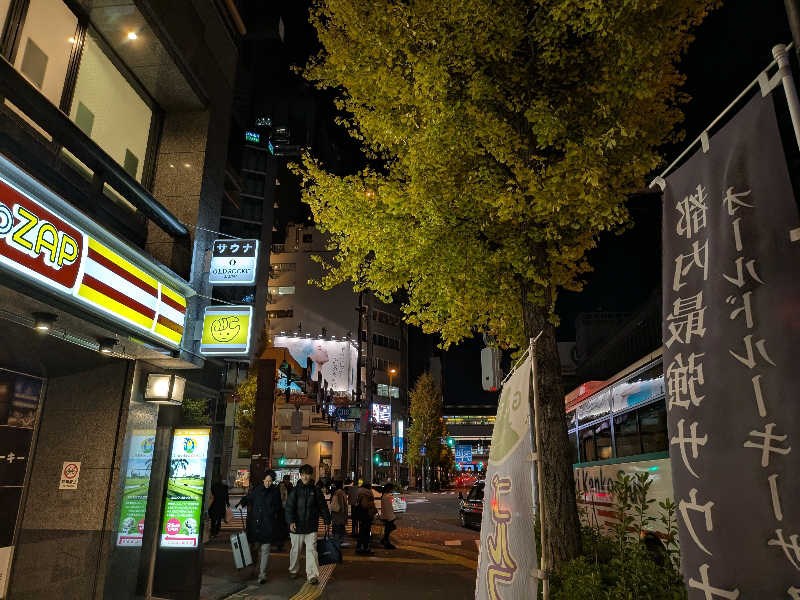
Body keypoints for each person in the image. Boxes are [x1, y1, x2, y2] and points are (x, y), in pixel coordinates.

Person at [285, 464, 331, 585]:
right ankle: (293, 570)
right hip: (297, 526)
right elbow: (289, 508)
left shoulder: (316, 491)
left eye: (307, 474)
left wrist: (327, 520)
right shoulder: (295, 491)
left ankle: (312, 575)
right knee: (295, 550)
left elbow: (323, 506)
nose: (305, 477)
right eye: (303, 474)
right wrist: (290, 522)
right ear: (300, 475)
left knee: (312, 551)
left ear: (311, 476)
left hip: (311, 526)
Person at [236, 470, 281, 585]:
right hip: (255, 525)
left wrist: (272, 514)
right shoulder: (257, 490)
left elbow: (278, 507)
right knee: (254, 549)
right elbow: (248, 498)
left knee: (265, 550)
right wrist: (241, 504)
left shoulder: (275, 492)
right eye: (266, 481)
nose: (268, 483)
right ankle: (252, 570)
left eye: (270, 481)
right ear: (263, 480)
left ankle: (262, 574)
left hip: (268, 525)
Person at [353, 481, 377, 555]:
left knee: (362, 531)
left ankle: (359, 547)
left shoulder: (359, 492)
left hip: (360, 514)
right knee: (366, 532)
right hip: (366, 514)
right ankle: (365, 548)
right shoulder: (367, 493)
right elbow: (367, 505)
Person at [330, 481, 349, 546]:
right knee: (339, 527)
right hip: (339, 513)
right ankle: (338, 541)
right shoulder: (340, 492)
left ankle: (337, 540)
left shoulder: (336, 492)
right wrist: (344, 513)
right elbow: (341, 503)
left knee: (337, 527)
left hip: (336, 513)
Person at [380, 483, 397, 549]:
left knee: (388, 529)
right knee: (389, 528)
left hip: (387, 515)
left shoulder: (384, 495)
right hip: (389, 516)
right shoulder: (387, 496)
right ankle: (386, 541)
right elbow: (390, 506)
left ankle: (384, 540)